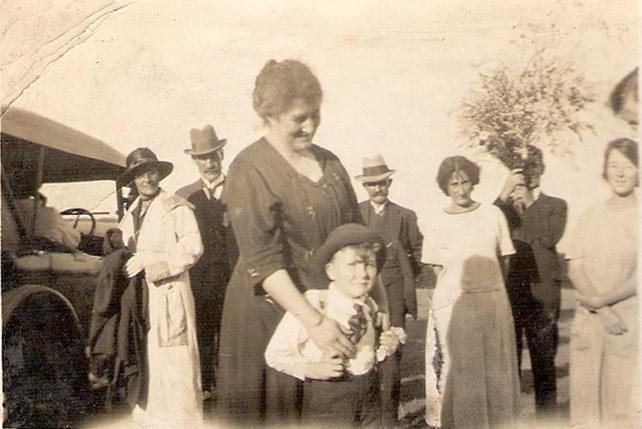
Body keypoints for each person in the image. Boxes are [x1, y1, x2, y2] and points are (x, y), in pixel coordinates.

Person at [216, 59, 389, 426]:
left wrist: (378, 303)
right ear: (270, 115)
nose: (309, 126)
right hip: (270, 312)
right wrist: (313, 322)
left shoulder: (332, 163)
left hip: (328, 308)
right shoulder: (249, 168)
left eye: (315, 115)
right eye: (299, 118)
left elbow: (358, 241)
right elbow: (263, 262)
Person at [265, 223, 405, 428]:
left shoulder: (370, 305)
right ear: (331, 271)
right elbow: (275, 354)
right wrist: (312, 369)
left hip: (369, 398)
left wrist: (387, 347)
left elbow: (368, 353)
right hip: (329, 400)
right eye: (353, 265)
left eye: (369, 265)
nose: (363, 273)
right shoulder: (314, 304)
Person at [423, 156, 519, 429]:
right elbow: (436, 267)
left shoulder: (493, 214)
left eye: (465, 182)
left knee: (494, 368)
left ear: (473, 182)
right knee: (461, 369)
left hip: (492, 300)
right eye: (454, 184)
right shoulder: (437, 220)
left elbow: (505, 260)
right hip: (455, 305)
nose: (461, 190)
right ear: (445, 186)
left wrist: (489, 289)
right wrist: (456, 293)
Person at [117, 147, 203, 428]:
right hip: (141, 298)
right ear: (133, 180)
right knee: (147, 363)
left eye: (151, 172)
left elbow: (193, 248)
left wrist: (150, 261)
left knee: (175, 364)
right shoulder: (131, 213)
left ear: (159, 174)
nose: (147, 179)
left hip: (168, 294)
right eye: (140, 174)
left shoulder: (177, 208)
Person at [567, 138, 639, 428]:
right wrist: (602, 309)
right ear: (605, 171)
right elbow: (575, 267)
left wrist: (603, 302)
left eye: (628, 165)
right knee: (586, 409)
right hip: (591, 321)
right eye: (614, 165)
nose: (620, 173)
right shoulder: (589, 215)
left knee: (622, 408)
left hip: (629, 322)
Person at [494, 145, 568, 415]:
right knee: (508, 364)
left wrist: (529, 203)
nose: (529, 172)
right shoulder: (504, 209)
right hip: (511, 293)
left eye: (534, 166)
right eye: (524, 168)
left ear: (543, 168)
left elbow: (549, 237)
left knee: (544, 364)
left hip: (543, 295)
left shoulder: (556, 205)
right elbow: (484, 226)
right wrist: (504, 194)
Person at [355, 154, 422, 426]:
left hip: (394, 293)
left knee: (391, 354)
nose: (377, 189)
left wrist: (405, 279)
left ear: (389, 184)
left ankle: (390, 419)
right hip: (362, 292)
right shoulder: (356, 214)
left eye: (381, 183)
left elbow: (418, 253)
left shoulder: (405, 216)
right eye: (371, 184)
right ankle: (367, 417)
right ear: (365, 187)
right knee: (362, 350)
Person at [176, 124, 234, 401]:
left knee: (234, 335)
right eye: (202, 158)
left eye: (212, 156)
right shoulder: (184, 196)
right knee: (201, 333)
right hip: (199, 281)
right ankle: (205, 387)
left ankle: (233, 390)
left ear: (221, 155)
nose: (208, 164)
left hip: (234, 278)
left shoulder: (242, 190)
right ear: (194, 161)